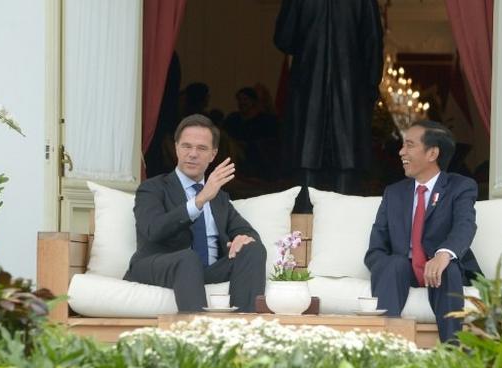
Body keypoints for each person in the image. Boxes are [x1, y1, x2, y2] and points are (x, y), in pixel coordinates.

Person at [124, 114, 266, 312]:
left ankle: (241, 331)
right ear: (176, 148)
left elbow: (247, 231)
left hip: (205, 270)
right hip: (159, 265)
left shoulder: (219, 197)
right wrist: (199, 201)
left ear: (213, 154)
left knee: (253, 248)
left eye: (201, 148)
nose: (192, 154)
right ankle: (197, 335)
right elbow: (153, 230)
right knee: (188, 259)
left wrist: (243, 239)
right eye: (186, 146)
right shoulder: (153, 188)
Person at [364, 120, 482, 343]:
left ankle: (451, 353)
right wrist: (383, 266)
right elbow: (377, 246)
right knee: (394, 264)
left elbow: (465, 225)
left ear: (432, 153)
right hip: (402, 269)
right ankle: (386, 350)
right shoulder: (394, 193)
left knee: (447, 268)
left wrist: (443, 254)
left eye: (409, 145)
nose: (401, 152)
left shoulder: (461, 186)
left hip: (441, 268)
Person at [274, 0, 384, 195]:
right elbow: (373, 42)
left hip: (308, 86)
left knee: (305, 165)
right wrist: (370, 88)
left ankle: (304, 221)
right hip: (350, 90)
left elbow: (284, 38)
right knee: (347, 168)